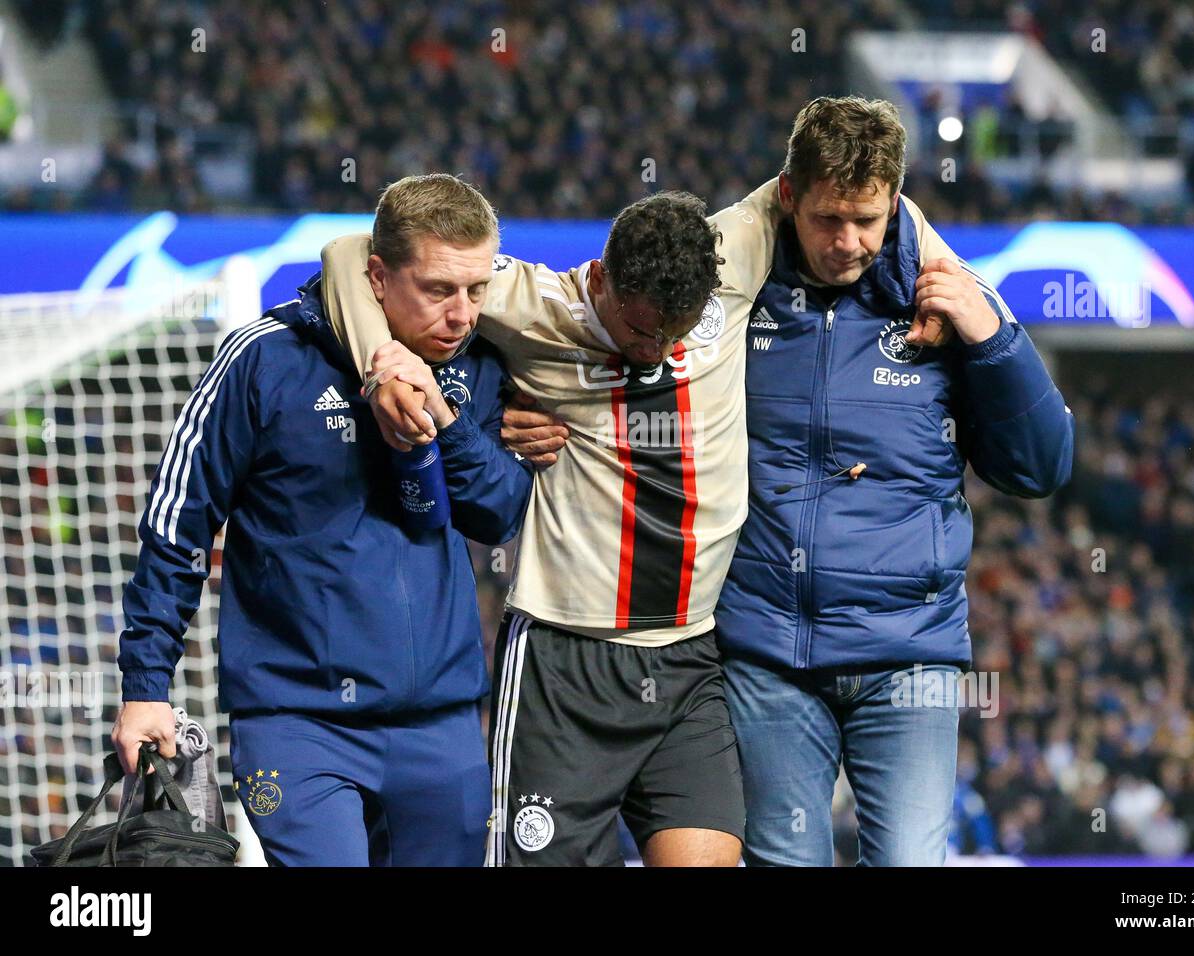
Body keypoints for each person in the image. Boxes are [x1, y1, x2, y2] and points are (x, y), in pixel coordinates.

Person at [503, 96, 1074, 866]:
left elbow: (1041, 466)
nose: (848, 242)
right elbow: (611, 321)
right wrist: (507, 410)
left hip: (907, 651)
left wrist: (995, 337)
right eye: (829, 219)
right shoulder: (729, 289)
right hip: (768, 655)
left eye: (869, 220)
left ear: (896, 204)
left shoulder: (947, 299)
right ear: (787, 198)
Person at [320, 186, 785, 866]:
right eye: (640, 330)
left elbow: (836, 162)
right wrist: (382, 363)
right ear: (600, 279)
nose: (657, 352)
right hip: (565, 663)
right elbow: (347, 250)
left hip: (689, 657)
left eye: (675, 333)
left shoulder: (729, 265)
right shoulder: (533, 306)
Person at [112, 173, 532, 865]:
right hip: (297, 723)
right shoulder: (263, 360)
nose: (461, 314)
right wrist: (145, 687)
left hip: (442, 722)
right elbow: (176, 526)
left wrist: (444, 416)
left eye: (476, 290)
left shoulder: (480, 364)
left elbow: (497, 513)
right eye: (437, 290)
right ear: (376, 276)